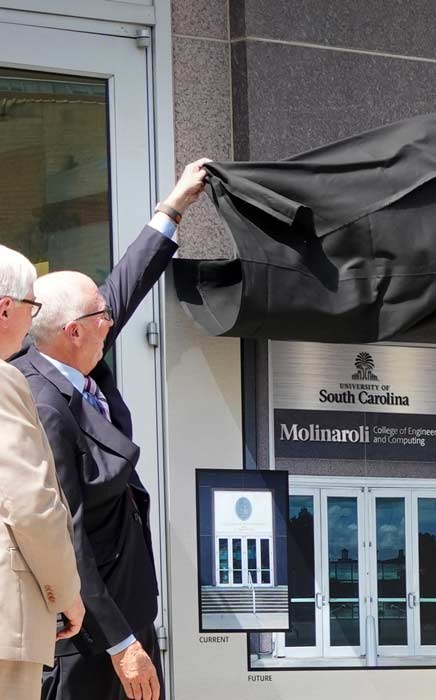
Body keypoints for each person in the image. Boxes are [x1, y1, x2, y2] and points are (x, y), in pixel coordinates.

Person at [11, 159, 209, 700]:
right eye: (103, 317)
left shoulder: (73, 352)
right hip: (87, 638)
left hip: (129, 610)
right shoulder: (41, 404)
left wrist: (174, 207)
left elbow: (122, 287)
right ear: (74, 332)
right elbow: (66, 536)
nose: (113, 318)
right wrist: (122, 644)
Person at [0, 245, 85, 700]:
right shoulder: (3, 380)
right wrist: (66, 593)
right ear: (5, 308)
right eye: (31, 307)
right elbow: (31, 502)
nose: (33, 322)